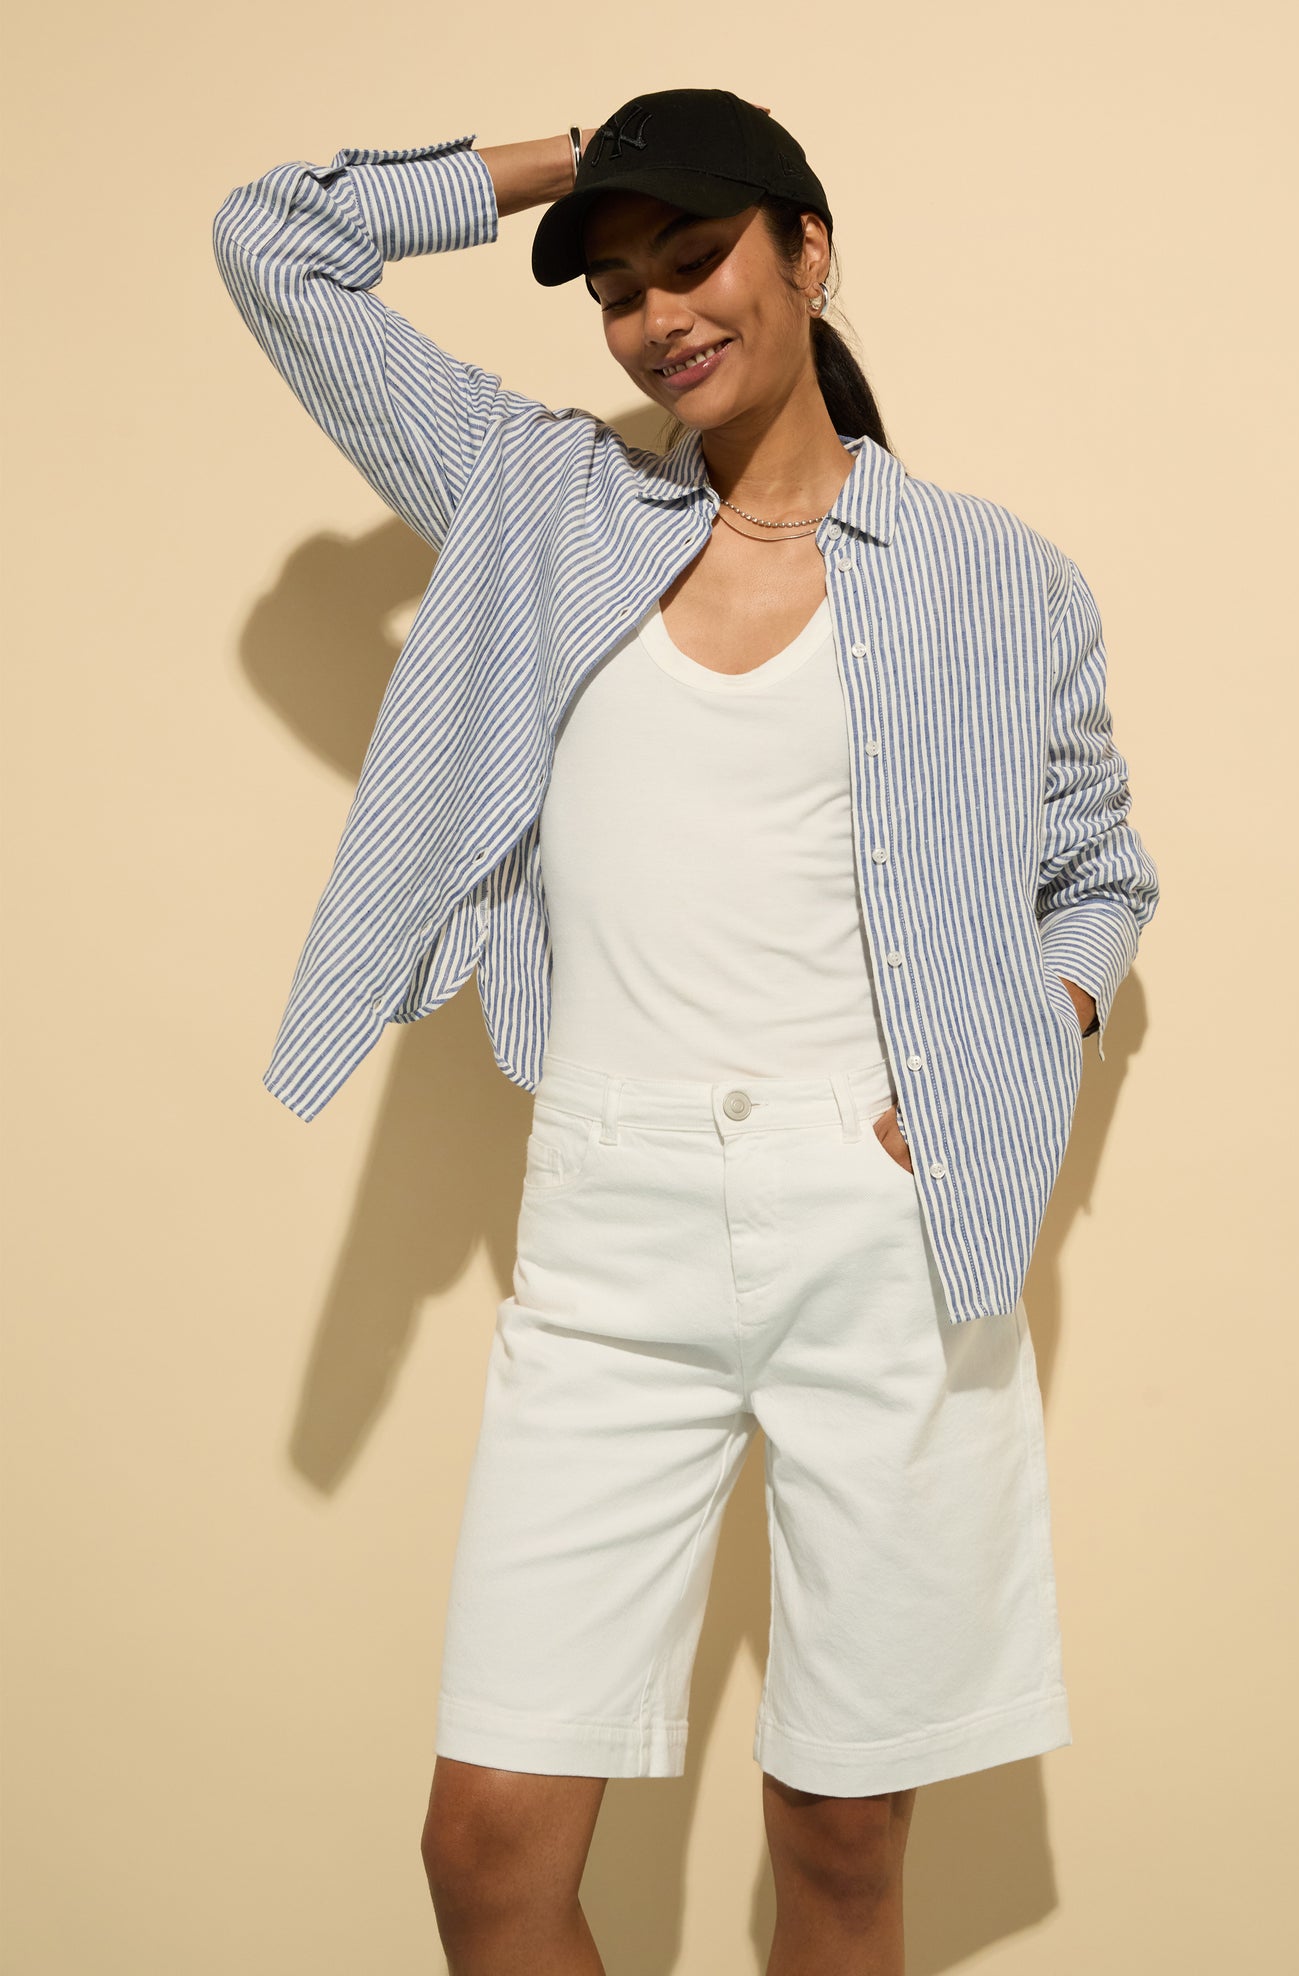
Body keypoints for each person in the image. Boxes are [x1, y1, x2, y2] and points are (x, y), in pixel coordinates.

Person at [213, 87, 1160, 1976]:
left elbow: (1098, 869)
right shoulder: (536, 502)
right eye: (618, 286)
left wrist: (1012, 1042)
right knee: (488, 1846)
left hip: (886, 1228)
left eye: (697, 254)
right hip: (610, 1222)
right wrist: (583, 162)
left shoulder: (993, 576)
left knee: (839, 1843)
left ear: (808, 252)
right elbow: (272, 242)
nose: (657, 315)